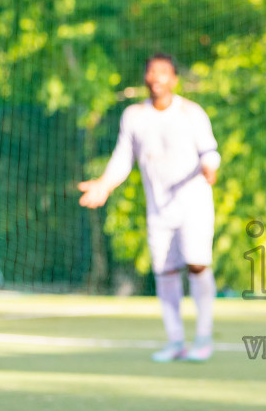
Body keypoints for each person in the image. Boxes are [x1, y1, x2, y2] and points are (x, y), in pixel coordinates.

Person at [78, 53, 220, 362]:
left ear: (174, 79)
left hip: (193, 205)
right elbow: (122, 158)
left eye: (163, 73)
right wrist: (104, 184)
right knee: (165, 271)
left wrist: (210, 166)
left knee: (197, 264)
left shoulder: (191, 113)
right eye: (151, 73)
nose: (156, 78)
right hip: (158, 209)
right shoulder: (133, 116)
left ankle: (204, 338)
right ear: (145, 78)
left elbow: (210, 151)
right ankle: (175, 341)